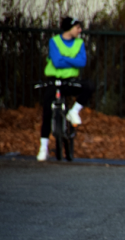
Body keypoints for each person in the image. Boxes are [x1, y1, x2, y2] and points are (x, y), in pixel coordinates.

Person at [38, 16, 94, 161]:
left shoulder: (79, 43)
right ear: (70, 28)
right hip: (54, 81)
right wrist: (72, 60)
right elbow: (56, 63)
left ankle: (74, 111)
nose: (80, 30)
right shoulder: (54, 41)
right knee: (47, 112)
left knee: (88, 86)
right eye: (78, 27)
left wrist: (64, 58)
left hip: (69, 81)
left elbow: (82, 62)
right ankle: (43, 147)